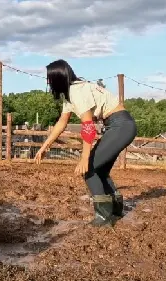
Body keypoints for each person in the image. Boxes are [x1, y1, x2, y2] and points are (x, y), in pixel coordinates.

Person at [34, 59, 137, 227]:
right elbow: (62, 122)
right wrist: (44, 147)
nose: (48, 82)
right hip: (119, 125)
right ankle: (116, 210)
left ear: (58, 78)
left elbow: (88, 127)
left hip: (120, 126)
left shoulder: (77, 92)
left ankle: (104, 217)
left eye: (49, 78)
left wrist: (84, 157)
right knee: (100, 170)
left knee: (89, 169)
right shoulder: (70, 95)